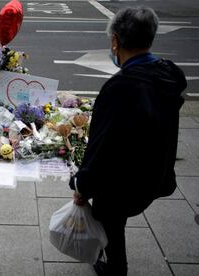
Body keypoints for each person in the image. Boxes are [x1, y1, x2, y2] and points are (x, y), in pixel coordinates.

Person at [69, 6, 186, 276]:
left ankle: (116, 268)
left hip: (123, 183)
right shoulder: (170, 74)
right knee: (114, 215)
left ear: (115, 42)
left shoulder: (120, 88)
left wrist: (81, 185)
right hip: (156, 174)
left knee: (109, 217)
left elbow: (101, 148)